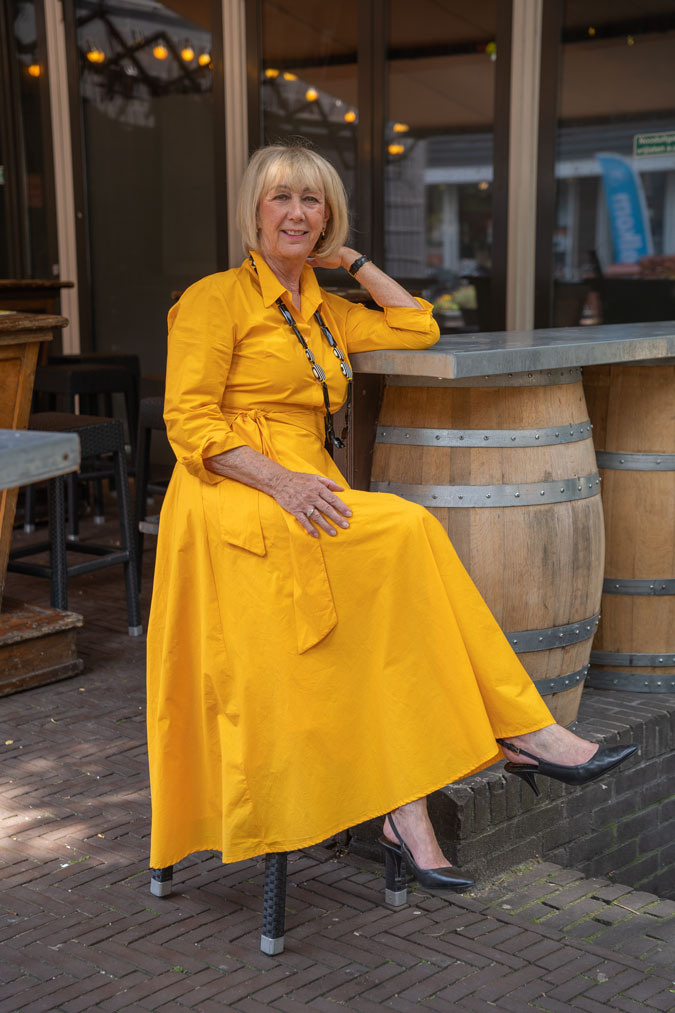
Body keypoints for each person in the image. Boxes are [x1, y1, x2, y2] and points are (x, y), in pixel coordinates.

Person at [146, 143, 636, 895]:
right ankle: (523, 730)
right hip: (231, 494)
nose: (297, 214)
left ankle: (408, 809)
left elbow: (417, 327)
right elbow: (189, 424)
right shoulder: (213, 299)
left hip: (307, 489)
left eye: (312, 201)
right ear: (253, 210)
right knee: (407, 529)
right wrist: (277, 481)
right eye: (280, 198)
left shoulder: (323, 308)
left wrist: (354, 260)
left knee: (382, 614)